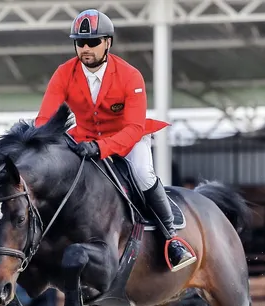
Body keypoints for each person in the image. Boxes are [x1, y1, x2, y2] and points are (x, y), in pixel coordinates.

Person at [35, 9, 196, 271]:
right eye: (80, 43)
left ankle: (172, 240)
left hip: (127, 139)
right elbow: (45, 119)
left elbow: (133, 128)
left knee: (143, 174)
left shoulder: (130, 76)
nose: (86, 48)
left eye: (93, 42)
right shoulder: (64, 73)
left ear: (108, 42)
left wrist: (101, 148)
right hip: (84, 137)